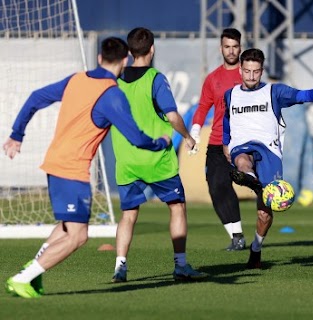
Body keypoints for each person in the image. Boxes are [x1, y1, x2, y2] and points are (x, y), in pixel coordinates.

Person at [3, 37, 172, 299]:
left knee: (67, 227)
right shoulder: (112, 95)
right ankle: (22, 278)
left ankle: (33, 271)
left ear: (100, 58)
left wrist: (17, 134)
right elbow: (137, 138)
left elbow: (36, 97)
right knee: (79, 236)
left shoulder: (76, 79)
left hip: (55, 163)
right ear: (125, 61)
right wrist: (160, 143)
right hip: (72, 170)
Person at [110, 27, 209, 283]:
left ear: (130, 52)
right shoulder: (155, 78)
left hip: (127, 161)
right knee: (177, 207)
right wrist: (188, 137)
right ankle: (181, 265)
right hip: (157, 160)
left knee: (129, 214)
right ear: (152, 49)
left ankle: (120, 266)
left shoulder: (115, 81)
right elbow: (174, 116)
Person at [223, 48, 313, 269]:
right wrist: (226, 143)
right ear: (241, 71)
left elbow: (300, 96)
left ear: (262, 71)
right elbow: (227, 119)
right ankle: (248, 176)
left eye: (255, 72)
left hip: (269, 151)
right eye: (247, 71)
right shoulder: (231, 94)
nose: (251, 76)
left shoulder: (274, 91)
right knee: (242, 160)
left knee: (265, 213)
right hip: (242, 146)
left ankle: (256, 249)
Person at [189, 28, 247, 251]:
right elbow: (203, 106)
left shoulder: (248, 74)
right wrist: (194, 132)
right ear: (221, 48)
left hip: (244, 142)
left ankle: (257, 237)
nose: (231, 51)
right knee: (216, 187)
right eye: (227, 47)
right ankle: (237, 237)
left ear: (240, 47)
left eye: (235, 46)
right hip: (216, 142)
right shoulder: (213, 78)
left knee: (259, 188)